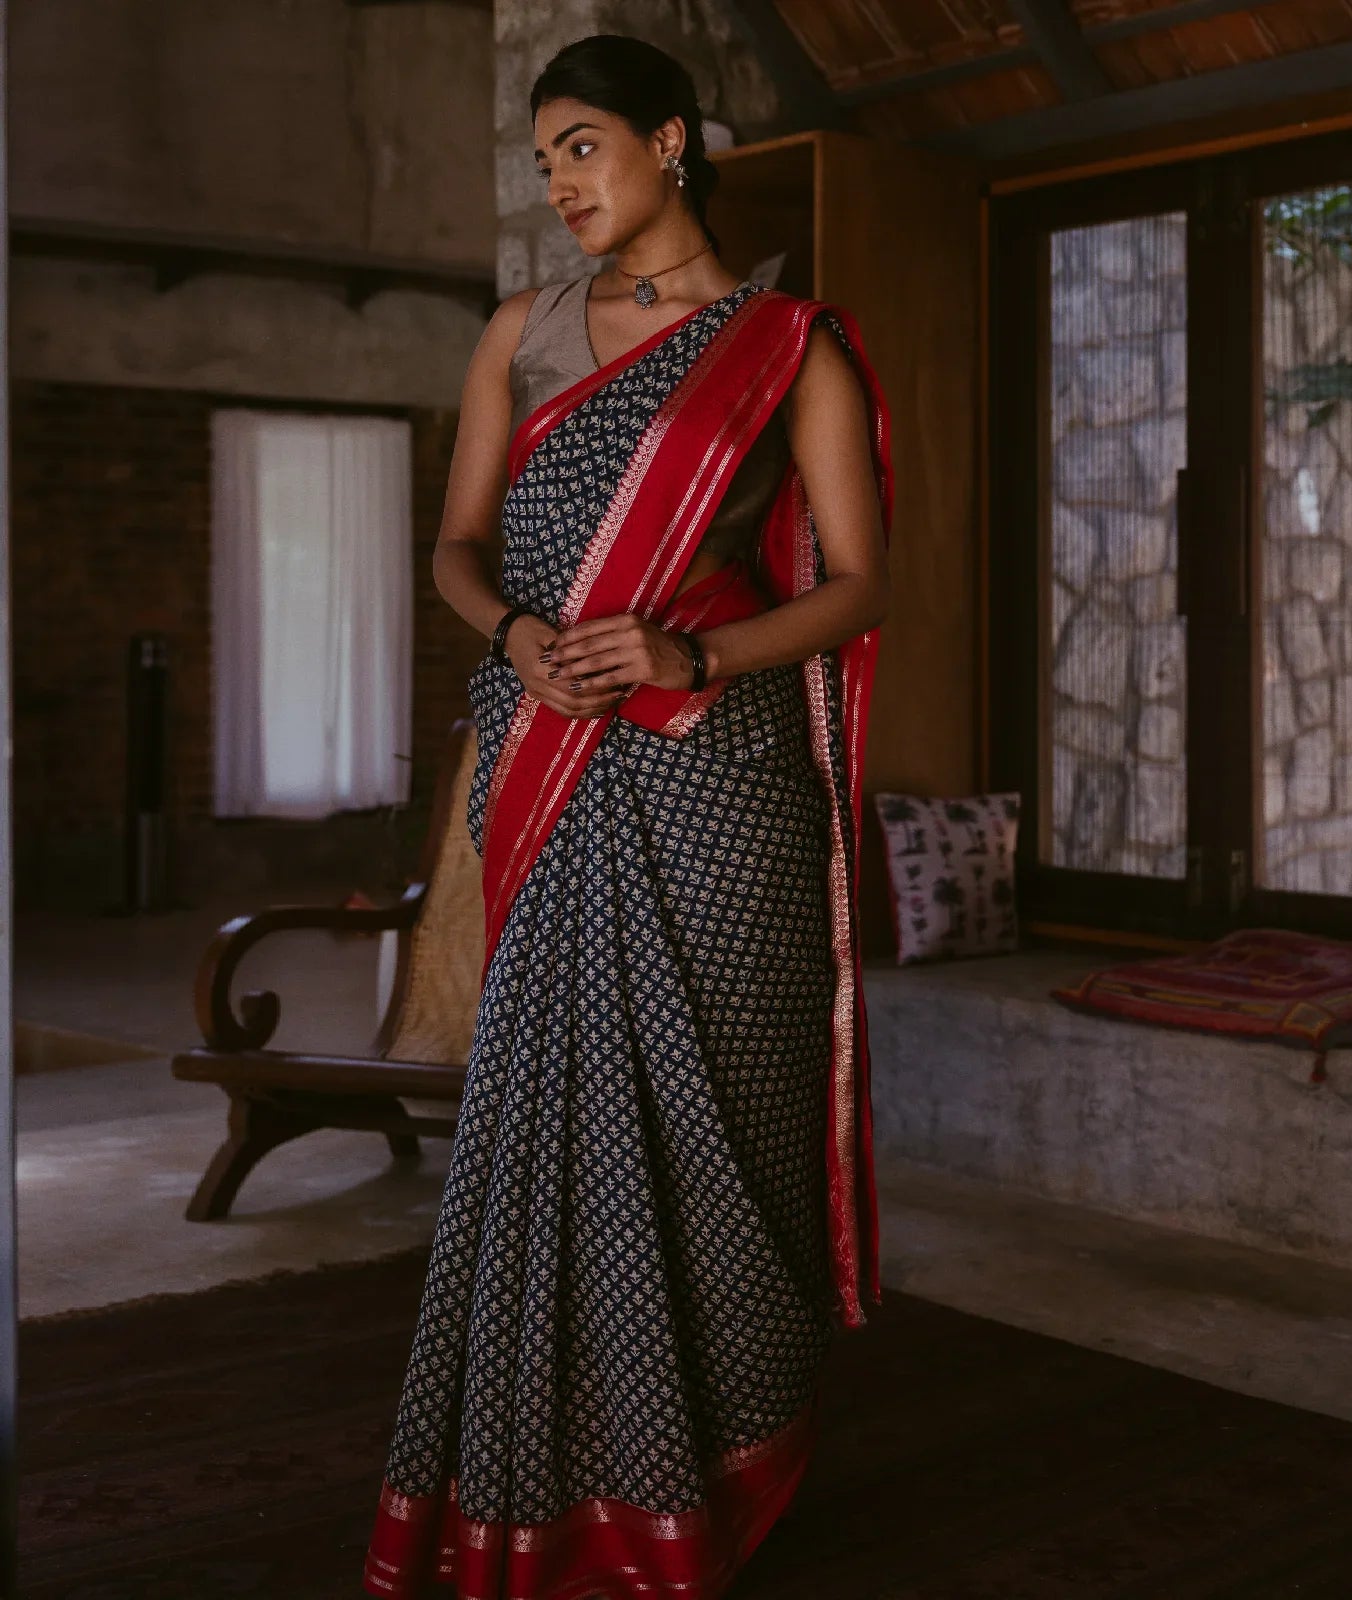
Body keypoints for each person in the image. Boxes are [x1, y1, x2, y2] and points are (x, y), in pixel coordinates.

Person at [363, 31, 892, 1600]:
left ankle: (715, 1475)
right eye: (544, 163)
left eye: (582, 148)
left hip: (721, 795)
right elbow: (459, 547)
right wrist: (518, 638)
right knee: (548, 1146)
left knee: (721, 1151)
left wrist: (692, 651)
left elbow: (862, 581)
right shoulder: (520, 335)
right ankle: (555, 1495)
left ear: (672, 141)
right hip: (551, 769)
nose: (561, 184)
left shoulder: (794, 345)